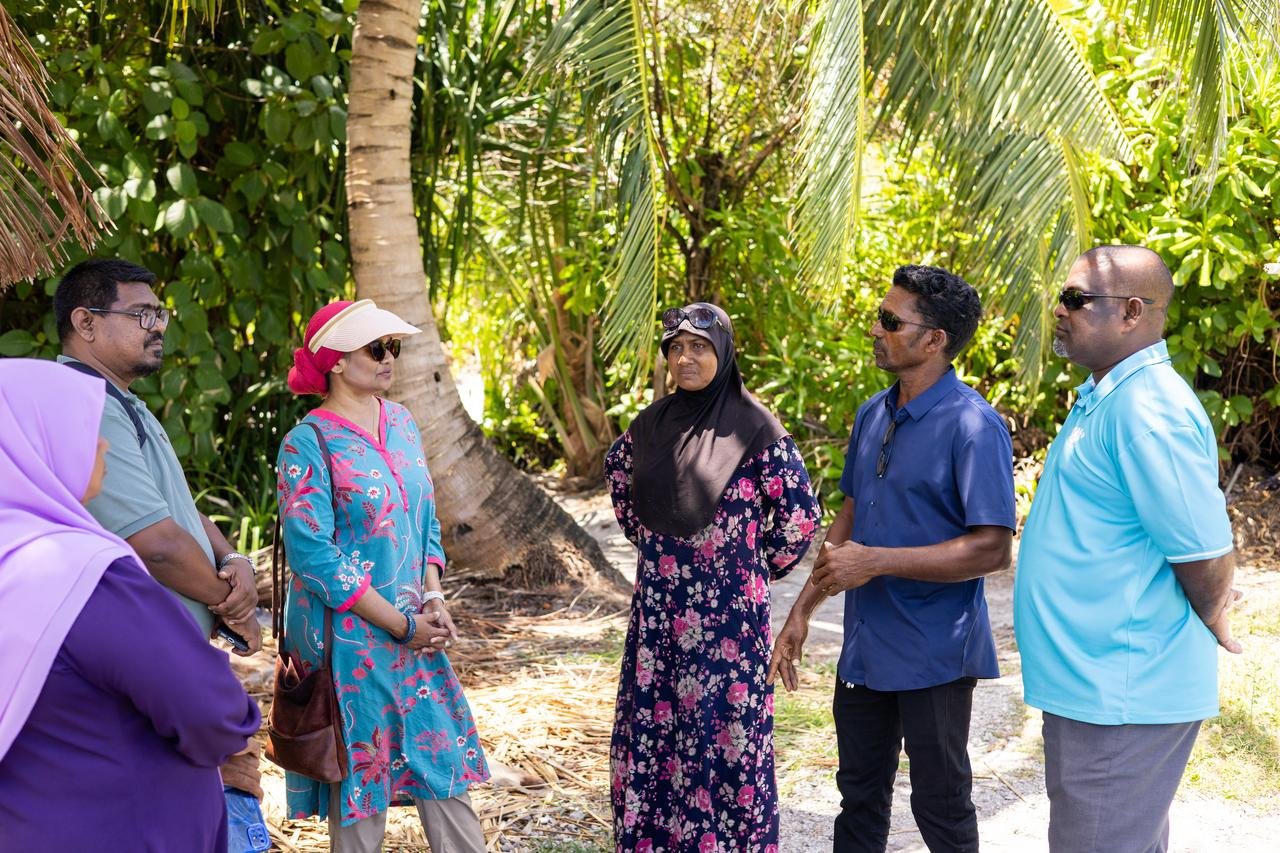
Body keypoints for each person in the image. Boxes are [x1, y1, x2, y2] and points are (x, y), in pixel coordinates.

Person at [769, 265, 1016, 853]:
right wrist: (802, 611)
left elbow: (993, 548)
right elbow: (850, 517)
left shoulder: (974, 425)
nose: (875, 329)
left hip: (935, 651)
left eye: (890, 320)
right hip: (866, 645)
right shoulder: (871, 413)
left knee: (940, 803)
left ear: (934, 340)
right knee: (858, 797)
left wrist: (877, 562)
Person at [1014, 246, 1240, 853]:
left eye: (1076, 299)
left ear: (1132, 312)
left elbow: (1203, 552)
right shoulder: (1111, 395)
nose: (1059, 311)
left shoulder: (1148, 408)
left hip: (1121, 692)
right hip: (1096, 687)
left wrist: (1214, 611)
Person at [0, 359, 261, 851]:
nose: (102, 445)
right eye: (82, 430)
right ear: (39, 445)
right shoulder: (83, 573)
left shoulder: (11, 555)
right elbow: (208, 710)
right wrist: (238, 725)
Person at [604, 302, 821, 851]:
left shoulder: (756, 428)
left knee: (727, 741)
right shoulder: (648, 427)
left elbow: (799, 518)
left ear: (722, 353)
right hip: (659, 620)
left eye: (699, 347)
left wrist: (747, 568)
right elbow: (622, 487)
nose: (686, 358)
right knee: (658, 737)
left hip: (729, 623)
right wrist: (664, 552)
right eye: (676, 348)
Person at [276, 299, 489, 852]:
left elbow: (426, 521)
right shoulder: (307, 442)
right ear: (336, 361)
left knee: (446, 770)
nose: (389, 357)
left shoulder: (402, 423)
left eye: (392, 346)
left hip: (417, 633)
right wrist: (399, 625)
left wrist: (434, 598)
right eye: (375, 348)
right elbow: (313, 557)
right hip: (351, 644)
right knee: (361, 795)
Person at [53, 258, 264, 803]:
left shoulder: (123, 402)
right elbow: (156, 544)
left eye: (160, 314)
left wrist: (234, 560)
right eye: (142, 315)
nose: (159, 327)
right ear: (86, 322)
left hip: (165, 658)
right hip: (138, 664)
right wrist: (231, 604)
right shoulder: (85, 404)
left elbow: (179, 510)